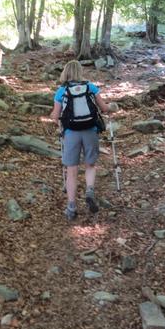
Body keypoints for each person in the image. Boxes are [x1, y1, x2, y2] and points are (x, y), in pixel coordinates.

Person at [50, 60, 110, 221]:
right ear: (80, 71)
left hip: (71, 133)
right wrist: (111, 108)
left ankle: (71, 207)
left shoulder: (61, 91)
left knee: (72, 171)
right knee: (90, 164)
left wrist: (58, 121)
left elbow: (55, 116)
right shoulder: (90, 87)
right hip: (90, 130)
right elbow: (104, 108)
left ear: (66, 72)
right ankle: (89, 190)